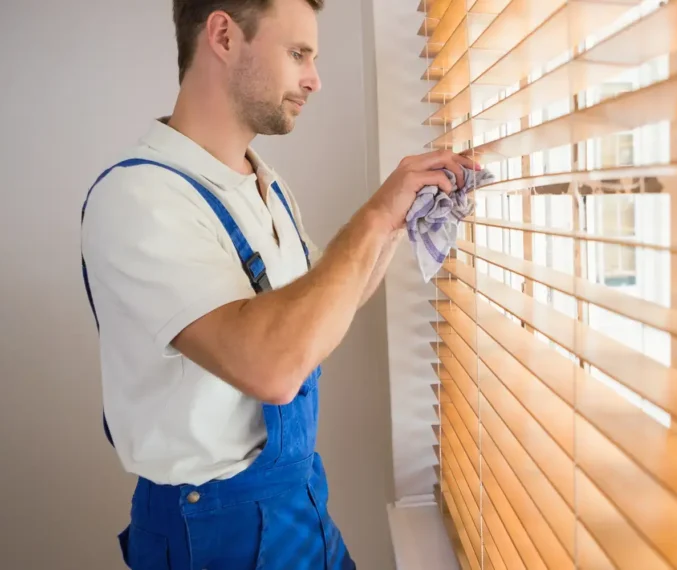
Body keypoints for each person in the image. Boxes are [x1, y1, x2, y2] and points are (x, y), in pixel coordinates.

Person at [79, 0, 480, 567]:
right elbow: (272, 367)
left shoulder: (267, 185)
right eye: (298, 54)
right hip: (213, 533)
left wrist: (399, 218)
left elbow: (324, 306)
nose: (314, 80)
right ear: (223, 35)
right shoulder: (140, 199)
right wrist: (375, 216)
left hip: (300, 498)